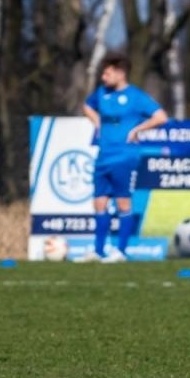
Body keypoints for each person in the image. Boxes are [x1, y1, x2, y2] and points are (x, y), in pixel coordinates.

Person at [76, 53, 168, 263]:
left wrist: (138, 129)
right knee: (99, 203)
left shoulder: (136, 97)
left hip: (125, 156)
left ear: (120, 73)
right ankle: (98, 251)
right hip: (103, 156)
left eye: (107, 73)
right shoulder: (101, 93)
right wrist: (97, 121)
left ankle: (121, 252)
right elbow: (87, 106)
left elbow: (161, 117)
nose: (103, 77)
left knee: (123, 203)